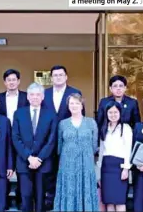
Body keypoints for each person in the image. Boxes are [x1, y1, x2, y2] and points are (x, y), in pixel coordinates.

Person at [12, 82, 58, 212]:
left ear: (43, 97)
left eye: (38, 95)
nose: (35, 97)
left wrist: (39, 158)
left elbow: (52, 140)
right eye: (32, 94)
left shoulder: (51, 114)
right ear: (27, 97)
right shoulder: (19, 113)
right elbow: (15, 137)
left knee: (40, 198)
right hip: (24, 162)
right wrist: (28, 157)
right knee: (25, 197)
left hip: (43, 163)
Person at [42, 65, 83, 208]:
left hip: (69, 139)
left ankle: (68, 200)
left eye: (61, 75)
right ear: (51, 78)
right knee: (50, 170)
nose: (58, 77)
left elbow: (79, 115)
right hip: (48, 139)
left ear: (66, 77)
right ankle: (51, 199)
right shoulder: (44, 93)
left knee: (68, 169)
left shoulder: (74, 92)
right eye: (55, 75)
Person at [53, 93, 99, 211]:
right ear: (68, 106)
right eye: (71, 103)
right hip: (68, 164)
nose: (74, 106)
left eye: (77, 103)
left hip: (86, 164)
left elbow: (94, 145)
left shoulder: (91, 122)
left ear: (82, 106)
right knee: (69, 188)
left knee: (86, 188)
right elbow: (59, 146)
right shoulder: (62, 124)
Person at [0, 69, 29, 209]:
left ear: (19, 81)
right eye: (8, 80)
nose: (11, 82)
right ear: (4, 82)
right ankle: (5, 199)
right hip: (4, 137)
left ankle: (21, 199)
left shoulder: (26, 97)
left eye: (14, 79)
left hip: (22, 137)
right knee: (5, 169)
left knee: (22, 170)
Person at [98, 101, 133, 212]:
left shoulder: (126, 128)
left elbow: (128, 149)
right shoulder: (104, 128)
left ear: (120, 113)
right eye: (110, 112)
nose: (113, 115)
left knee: (119, 201)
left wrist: (126, 168)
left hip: (119, 166)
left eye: (115, 112)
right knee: (108, 202)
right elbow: (101, 151)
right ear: (106, 113)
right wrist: (99, 172)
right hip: (106, 167)